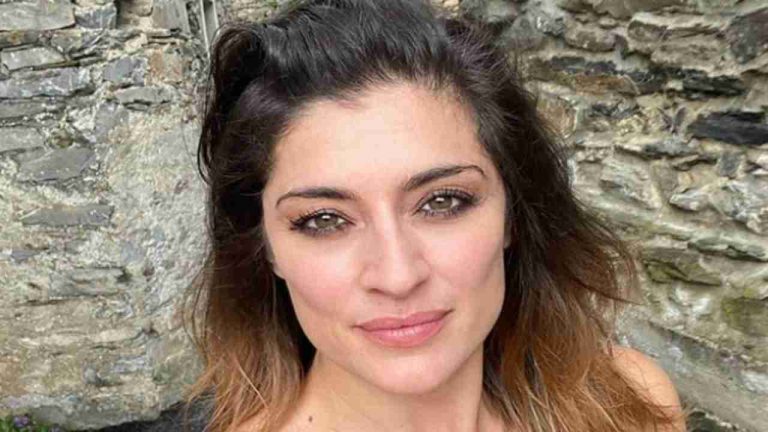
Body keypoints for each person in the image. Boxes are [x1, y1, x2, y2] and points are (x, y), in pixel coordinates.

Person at [183, 0, 687, 431]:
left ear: (513, 213)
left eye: (442, 202)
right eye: (324, 220)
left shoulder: (629, 404)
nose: (398, 276)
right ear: (265, 247)